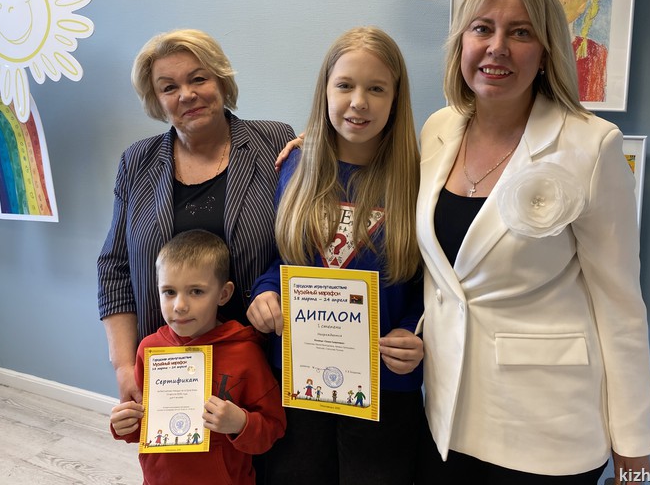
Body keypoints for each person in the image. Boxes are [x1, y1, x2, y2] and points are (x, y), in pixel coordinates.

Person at [415, 0, 650, 484]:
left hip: (548, 430)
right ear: (461, 43)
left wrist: (633, 447)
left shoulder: (591, 145)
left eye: (520, 32)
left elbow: (620, 307)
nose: (497, 47)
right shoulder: (438, 129)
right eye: (482, 28)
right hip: (447, 417)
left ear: (546, 52)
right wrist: (318, 150)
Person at [247, 26, 425, 485]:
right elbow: (283, 260)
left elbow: (428, 284)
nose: (359, 102)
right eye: (345, 85)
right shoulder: (295, 168)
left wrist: (413, 331)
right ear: (325, 91)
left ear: (396, 98)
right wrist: (266, 293)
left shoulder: (419, 179)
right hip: (297, 378)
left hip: (384, 385)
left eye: (376, 89)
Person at [97, 28, 296, 404]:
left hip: (258, 365)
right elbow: (115, 267)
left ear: (221, 80)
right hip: (171, 370)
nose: (186, 94)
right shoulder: (136, 162)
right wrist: (124, 366)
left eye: (198, 79)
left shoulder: (274, 141)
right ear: (157, 101)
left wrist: (321, 149)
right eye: (169, 87)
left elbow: (302, 242)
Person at [110, 229, 286, 485]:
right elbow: (148, 423)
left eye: (196, 292)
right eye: (169, 292)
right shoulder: (148, 349)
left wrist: (241, 423)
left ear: (223, 294)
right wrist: (126, 425)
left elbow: (273, 428)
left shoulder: (245, 353)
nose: (180, 306)